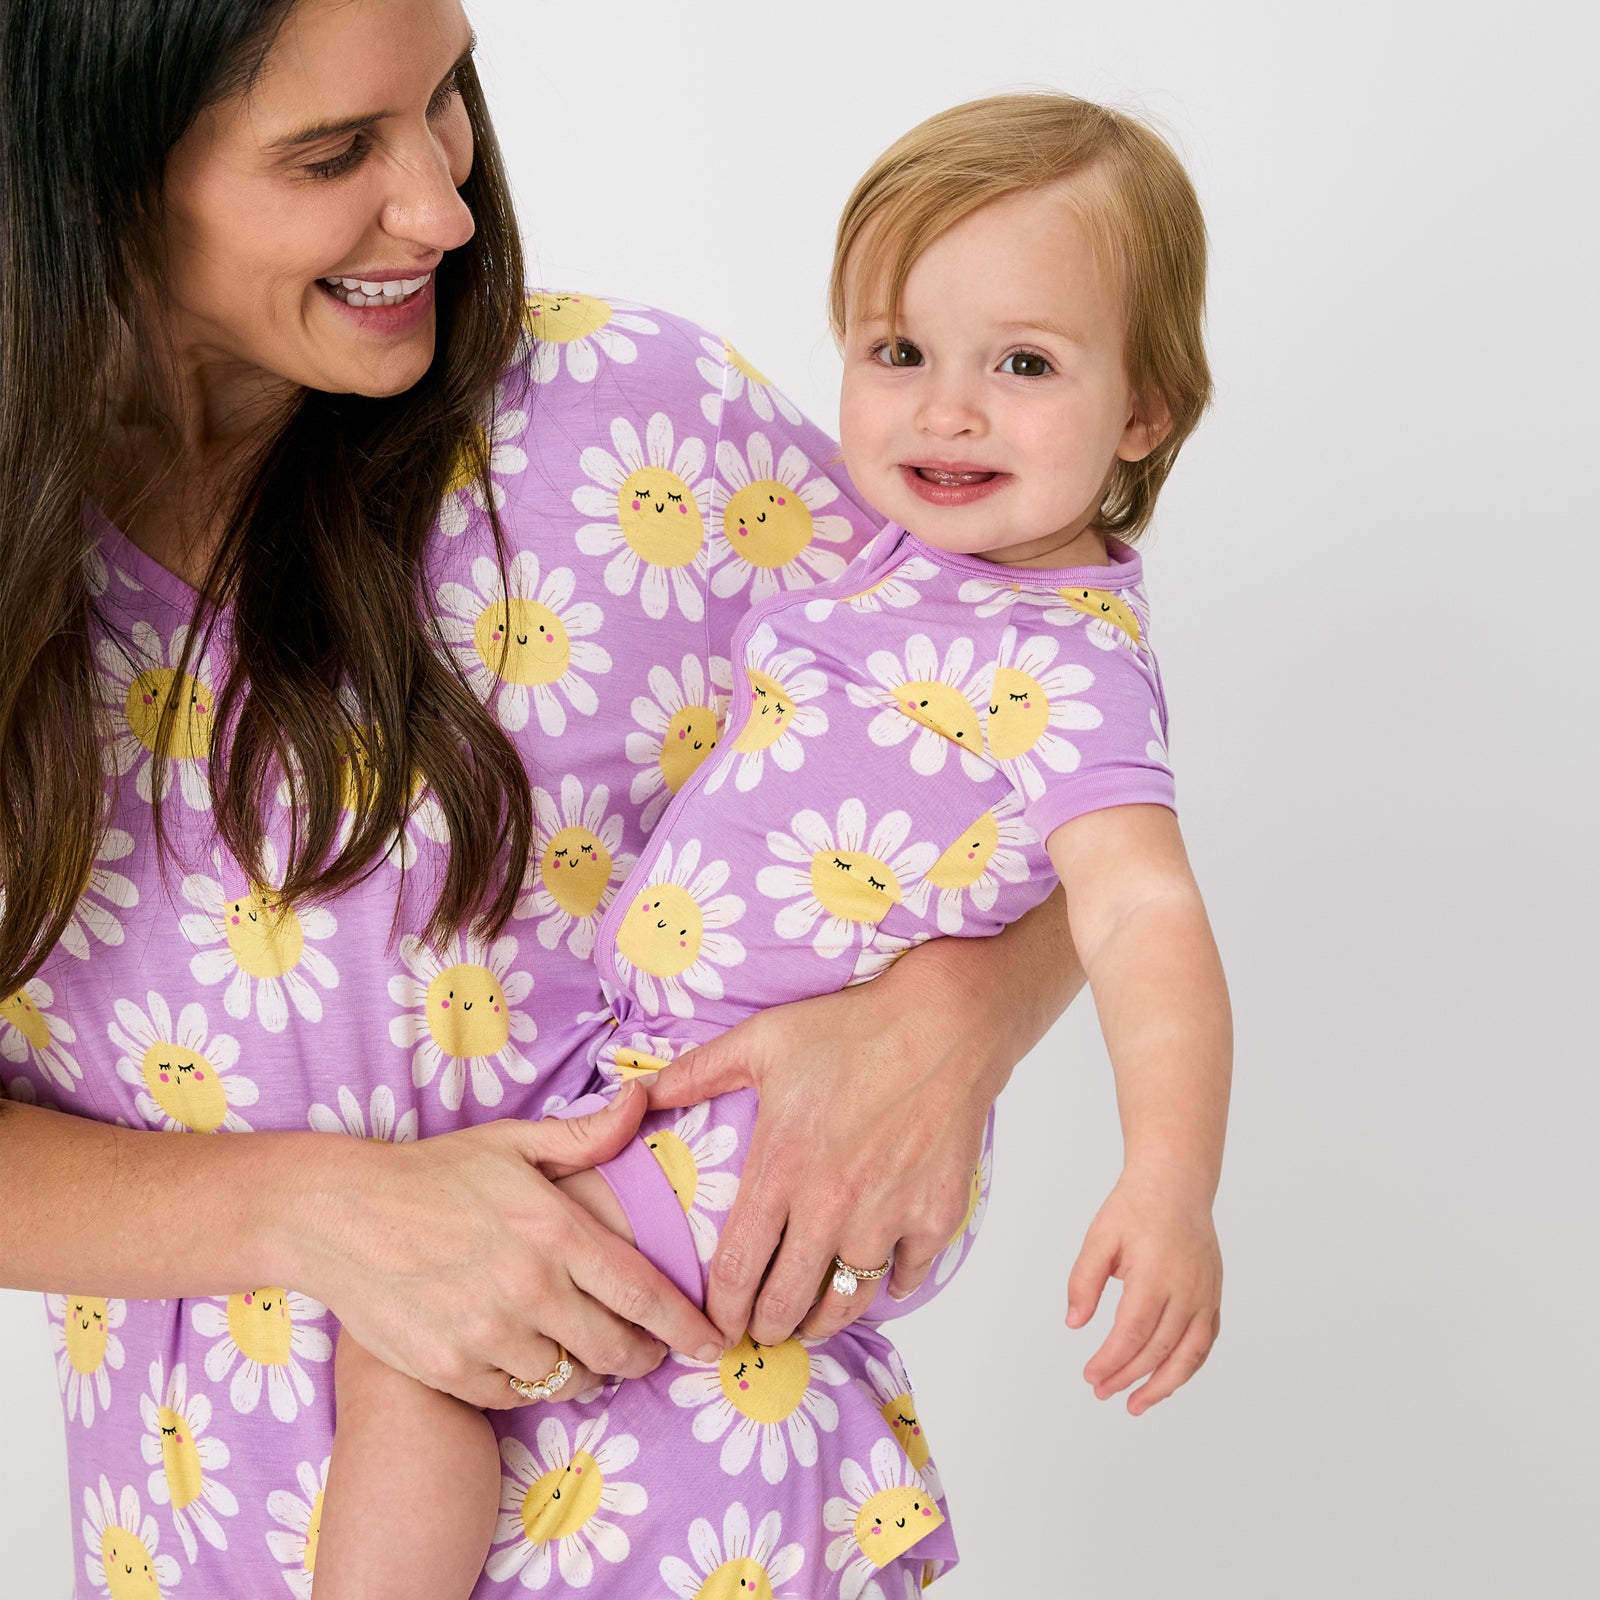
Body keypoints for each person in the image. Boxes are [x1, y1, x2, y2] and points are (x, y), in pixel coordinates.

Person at [0, 3, 1085, 1596]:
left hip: (737, 1531)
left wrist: (958, 1022)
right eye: (329, 153)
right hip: (223, 1547)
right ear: (83, 178)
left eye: (445, 101)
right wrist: (311, 1216)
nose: (443, 202)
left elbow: (1056, 759)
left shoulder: (636, 425)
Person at [314, 90, 1232, 1600]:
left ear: (1146, 411)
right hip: (684, 1093)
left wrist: (1167, 1183)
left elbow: (1143, 918)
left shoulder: (1068, 669)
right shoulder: (904, 560)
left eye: (1023, 364)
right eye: (899, 353)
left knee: (414, 1338)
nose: (947, 408)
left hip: (771, 1142)